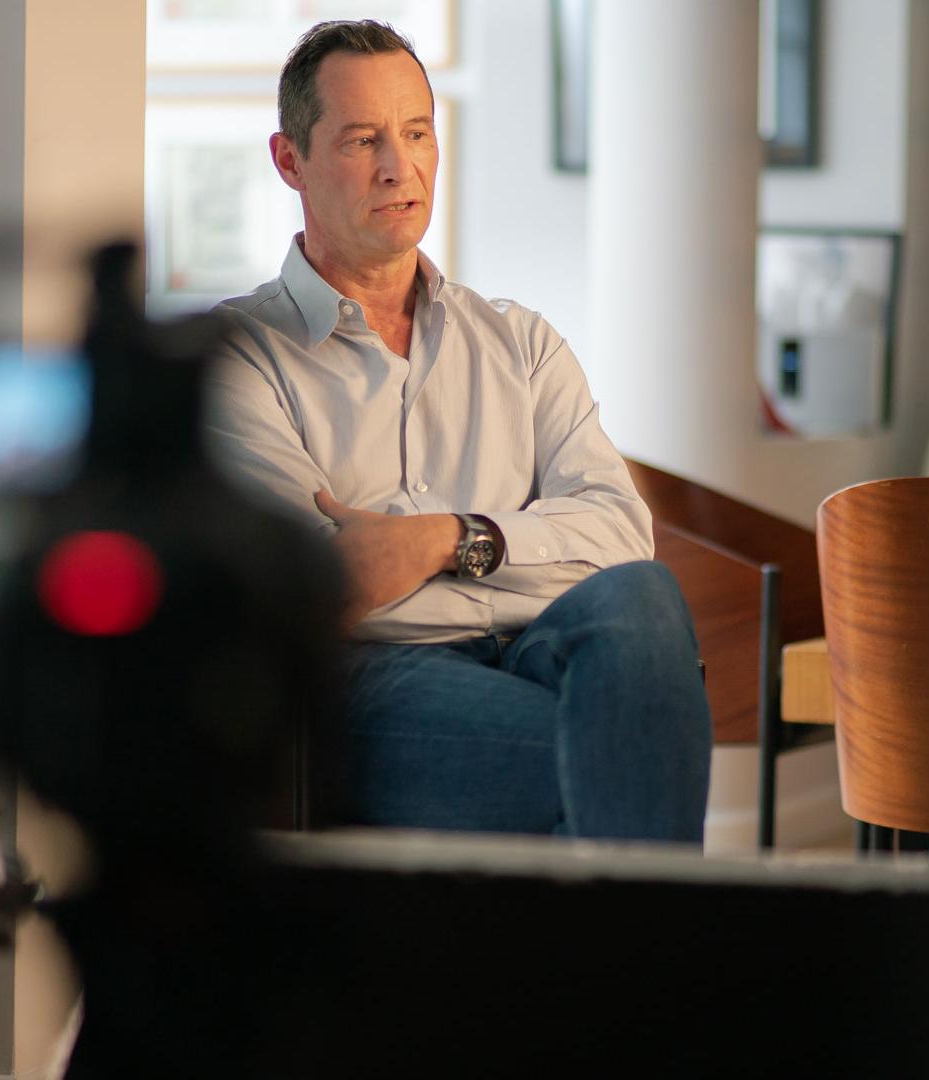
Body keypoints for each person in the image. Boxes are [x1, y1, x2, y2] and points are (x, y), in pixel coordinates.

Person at [203, 19, 711, 842]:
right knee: (622, 754)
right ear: (289, 160)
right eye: (363, 139)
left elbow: (620, 535)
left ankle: (624, 961)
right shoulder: (242, 356)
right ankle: (666, 966)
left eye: (415, 133)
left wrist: (448, 540)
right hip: (370, 680)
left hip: (535, 647)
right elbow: (323, 586)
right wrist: (536, 539)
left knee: (640, 596)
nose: (398, 168)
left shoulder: (522, 342)